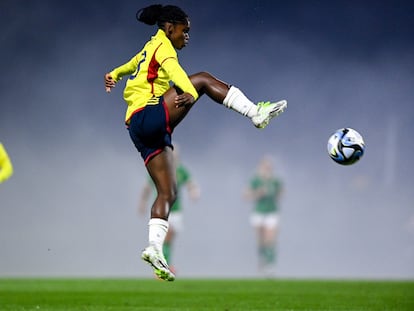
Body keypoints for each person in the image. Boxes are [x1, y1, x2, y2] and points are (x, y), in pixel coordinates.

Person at [104, 4, 287, 281]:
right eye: (184, 31)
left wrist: (115, 74)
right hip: (147, 114)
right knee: (201, 80)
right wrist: (189, 91)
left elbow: (132, 65)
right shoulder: (164, 47)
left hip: (138, 129)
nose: (187, 36)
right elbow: (175, 70)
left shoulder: (149, 46)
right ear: (169, 28)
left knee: (168, 193)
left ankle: (154, 248)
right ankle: (255, 112)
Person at [138, 145, 199, 274]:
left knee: (169, 240)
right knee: (167, 235)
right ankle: (164, 266)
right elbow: (147, 187)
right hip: (163, 209)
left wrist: (193, 192)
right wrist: (142, 202)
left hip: (177, 211)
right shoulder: (159, 167)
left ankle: (163, 264)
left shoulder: (181, 170)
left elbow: (190, 184)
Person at [244, 155, 283, 275]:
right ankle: (262, 260)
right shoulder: (255, 180)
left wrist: (276, 194)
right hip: (259, 212)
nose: (267, 169)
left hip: (272, 212)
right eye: (265, 167)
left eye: (269, 167)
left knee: (270, 240)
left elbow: (281, 194)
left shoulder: (275, 181)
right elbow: (246, 195)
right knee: (261, 241)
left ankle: (271, 265)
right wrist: (258, 193)